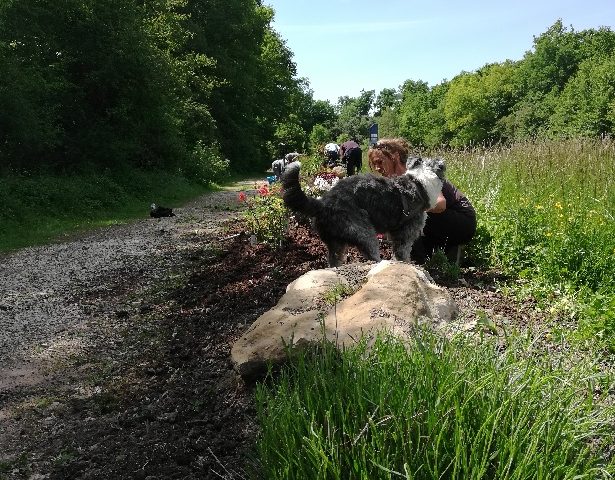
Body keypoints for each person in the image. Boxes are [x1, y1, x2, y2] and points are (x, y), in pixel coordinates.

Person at [368, 137, 477, 264]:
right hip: (437, 226)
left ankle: (412, 263)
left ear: (395, 156)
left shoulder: (418, 172)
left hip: (462, 221)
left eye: (380, 162)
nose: (377, 168)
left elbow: (440, 204)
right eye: (374, 164)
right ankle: (419, 261)